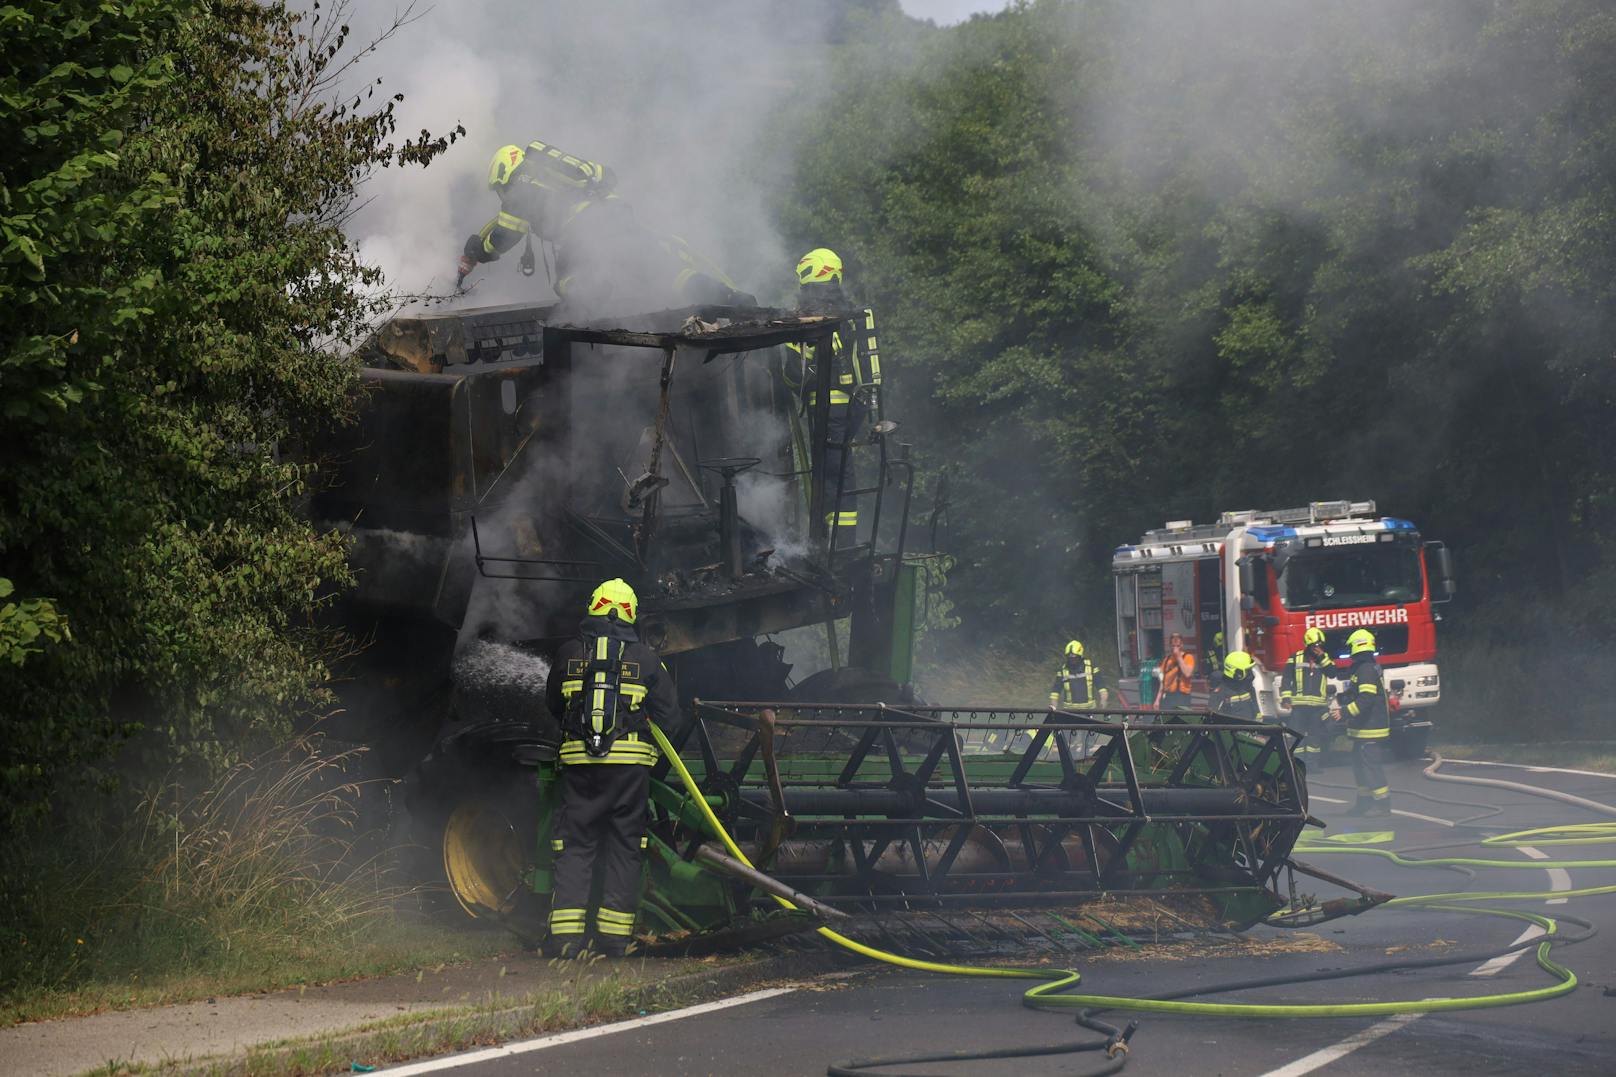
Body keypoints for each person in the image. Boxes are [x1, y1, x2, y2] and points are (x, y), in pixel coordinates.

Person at [543, 578, 678, 957]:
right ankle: (613, 941)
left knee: (575, 846)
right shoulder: (647, 658)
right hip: (629, 773)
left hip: (579, 768)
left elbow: (553, 705)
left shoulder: (569, 653)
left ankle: (567, 941)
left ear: (593, 608)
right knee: (625, 847)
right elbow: (671, 719)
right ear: (632, 614)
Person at [457, 140, 750, 308]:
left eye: (499, 189)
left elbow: (504, 235)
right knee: (663, 270)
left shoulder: (519, 188)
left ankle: (598, 311)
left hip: (584, 230)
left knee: (568, 283)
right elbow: (500, 221)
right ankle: (730, 298)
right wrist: (474, 250)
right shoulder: (545, 175)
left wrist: (480, 251)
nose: (501, 195)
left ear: (504, 175)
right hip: (616, 214)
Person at [784, 248, 882, 542]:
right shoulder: (851, 317)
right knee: (841, 474)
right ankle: (839, 542)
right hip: (855, 408)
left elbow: (792, 376)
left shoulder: (809, 323)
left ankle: (837, 544)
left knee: (830, 477)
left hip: (826, 412)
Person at [1336, 628, 1391, 816]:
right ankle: (1364, 802)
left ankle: (1383, 805)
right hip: (1363, 728)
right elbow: (1360, 694)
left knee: (1371, 767)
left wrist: (1345, 712)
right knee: (1360, 767)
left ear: (1356, 646)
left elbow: (1366, 698)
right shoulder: (1363, 668)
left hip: (1371, 728)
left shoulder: (1366, 669)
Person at [1281, 627, 1334, 762]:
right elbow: (1286, 678)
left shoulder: (1325, 658)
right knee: (1296, 735)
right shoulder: (1295, 657)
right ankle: (1296, 763)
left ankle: (1312, 766)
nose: (1318, 648)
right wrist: (1286, 698)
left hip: (1317, 708)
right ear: (1308, 645)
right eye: (1315, 646)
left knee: (1314, 737)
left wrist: (1322, 658)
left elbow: (1333, 673)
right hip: (1299, 707)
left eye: (1320, 645)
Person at [1049, 640, 1109, 711]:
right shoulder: (1063, 670)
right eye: (1069, 658)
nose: (1072, 660)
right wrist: (1053, 705)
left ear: (1080, 656)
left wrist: (1103, 700)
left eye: (1074, 658)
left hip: (1089, 710)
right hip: (1069, 711)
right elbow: (1056, 690)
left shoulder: (1091, 667)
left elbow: (1101, 685)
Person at [1210, 650, 1259, 719]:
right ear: (1237, 673)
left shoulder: (1248, 688)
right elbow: (1212, 719)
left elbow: (1256, 710)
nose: (1250, 674)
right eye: (1248, 671)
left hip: (1250, 728)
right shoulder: (1219, 694)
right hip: (1231, 728)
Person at [1153, 632, 1196, 710]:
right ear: (1170, 646)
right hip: (1168, 696)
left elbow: (1187, 673)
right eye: (1173, 646)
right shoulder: (1166, 660)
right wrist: (1157, 699)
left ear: (1182, 645)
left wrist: (1178, 657)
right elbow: (1162, 682)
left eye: (1178, 646)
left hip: (1182, 697)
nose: (1175, 648)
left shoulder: (1188, 657)